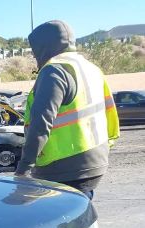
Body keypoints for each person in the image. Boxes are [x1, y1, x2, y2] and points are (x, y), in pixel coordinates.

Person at [14, 20, 120, 199]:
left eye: (34, 50)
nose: (34, 55)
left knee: (60, 216)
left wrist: (23, 168)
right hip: (95, 160)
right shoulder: (90, 68)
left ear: (43, 47)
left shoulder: (54, 71)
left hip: (64, 168)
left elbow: (41, 124)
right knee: (81, 211)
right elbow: (108, 112)